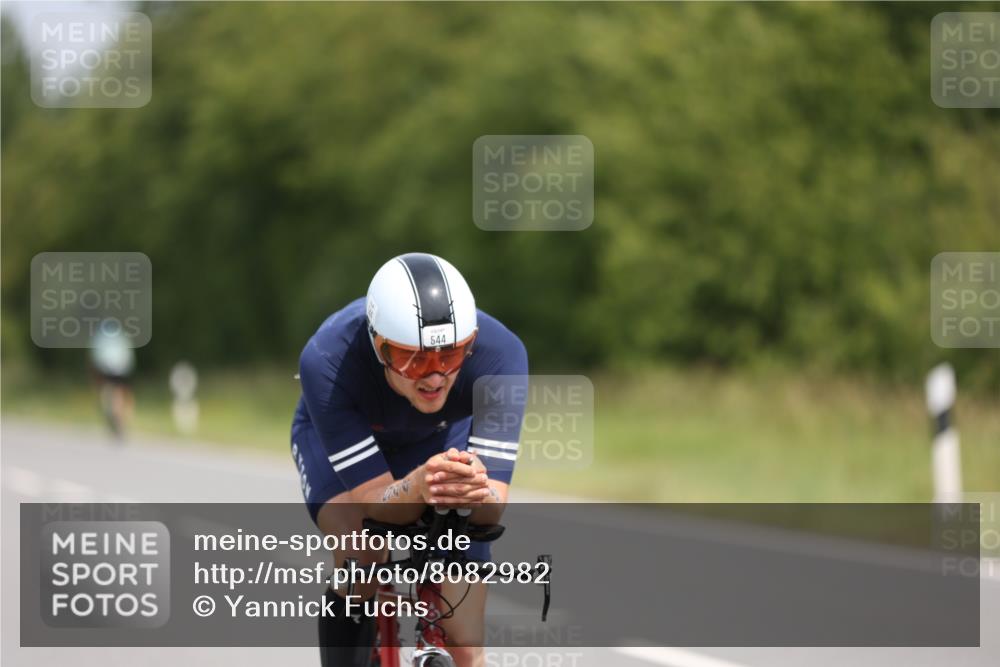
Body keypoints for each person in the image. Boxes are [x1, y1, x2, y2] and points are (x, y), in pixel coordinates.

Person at [291, 252, 528, 667]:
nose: (434, 376)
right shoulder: (327, 360)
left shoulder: (500, 355)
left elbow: (491, 509)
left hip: (439, 438)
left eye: (450, 356)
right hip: (347, 437)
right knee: (360, 548)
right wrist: (417, 486)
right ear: (378, 346)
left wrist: (472, 488)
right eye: (413, 358)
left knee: (467, 644)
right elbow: (371, 501)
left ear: (470, 344)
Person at [89, 321, 136, 440]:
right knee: (119, 393)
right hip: (123, 369)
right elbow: (129, 355)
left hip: (107, 369)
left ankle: (114, 419)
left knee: (107, 394)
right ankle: (121, 420)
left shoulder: (100, 338)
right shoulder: (122, 337)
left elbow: (96, 357)